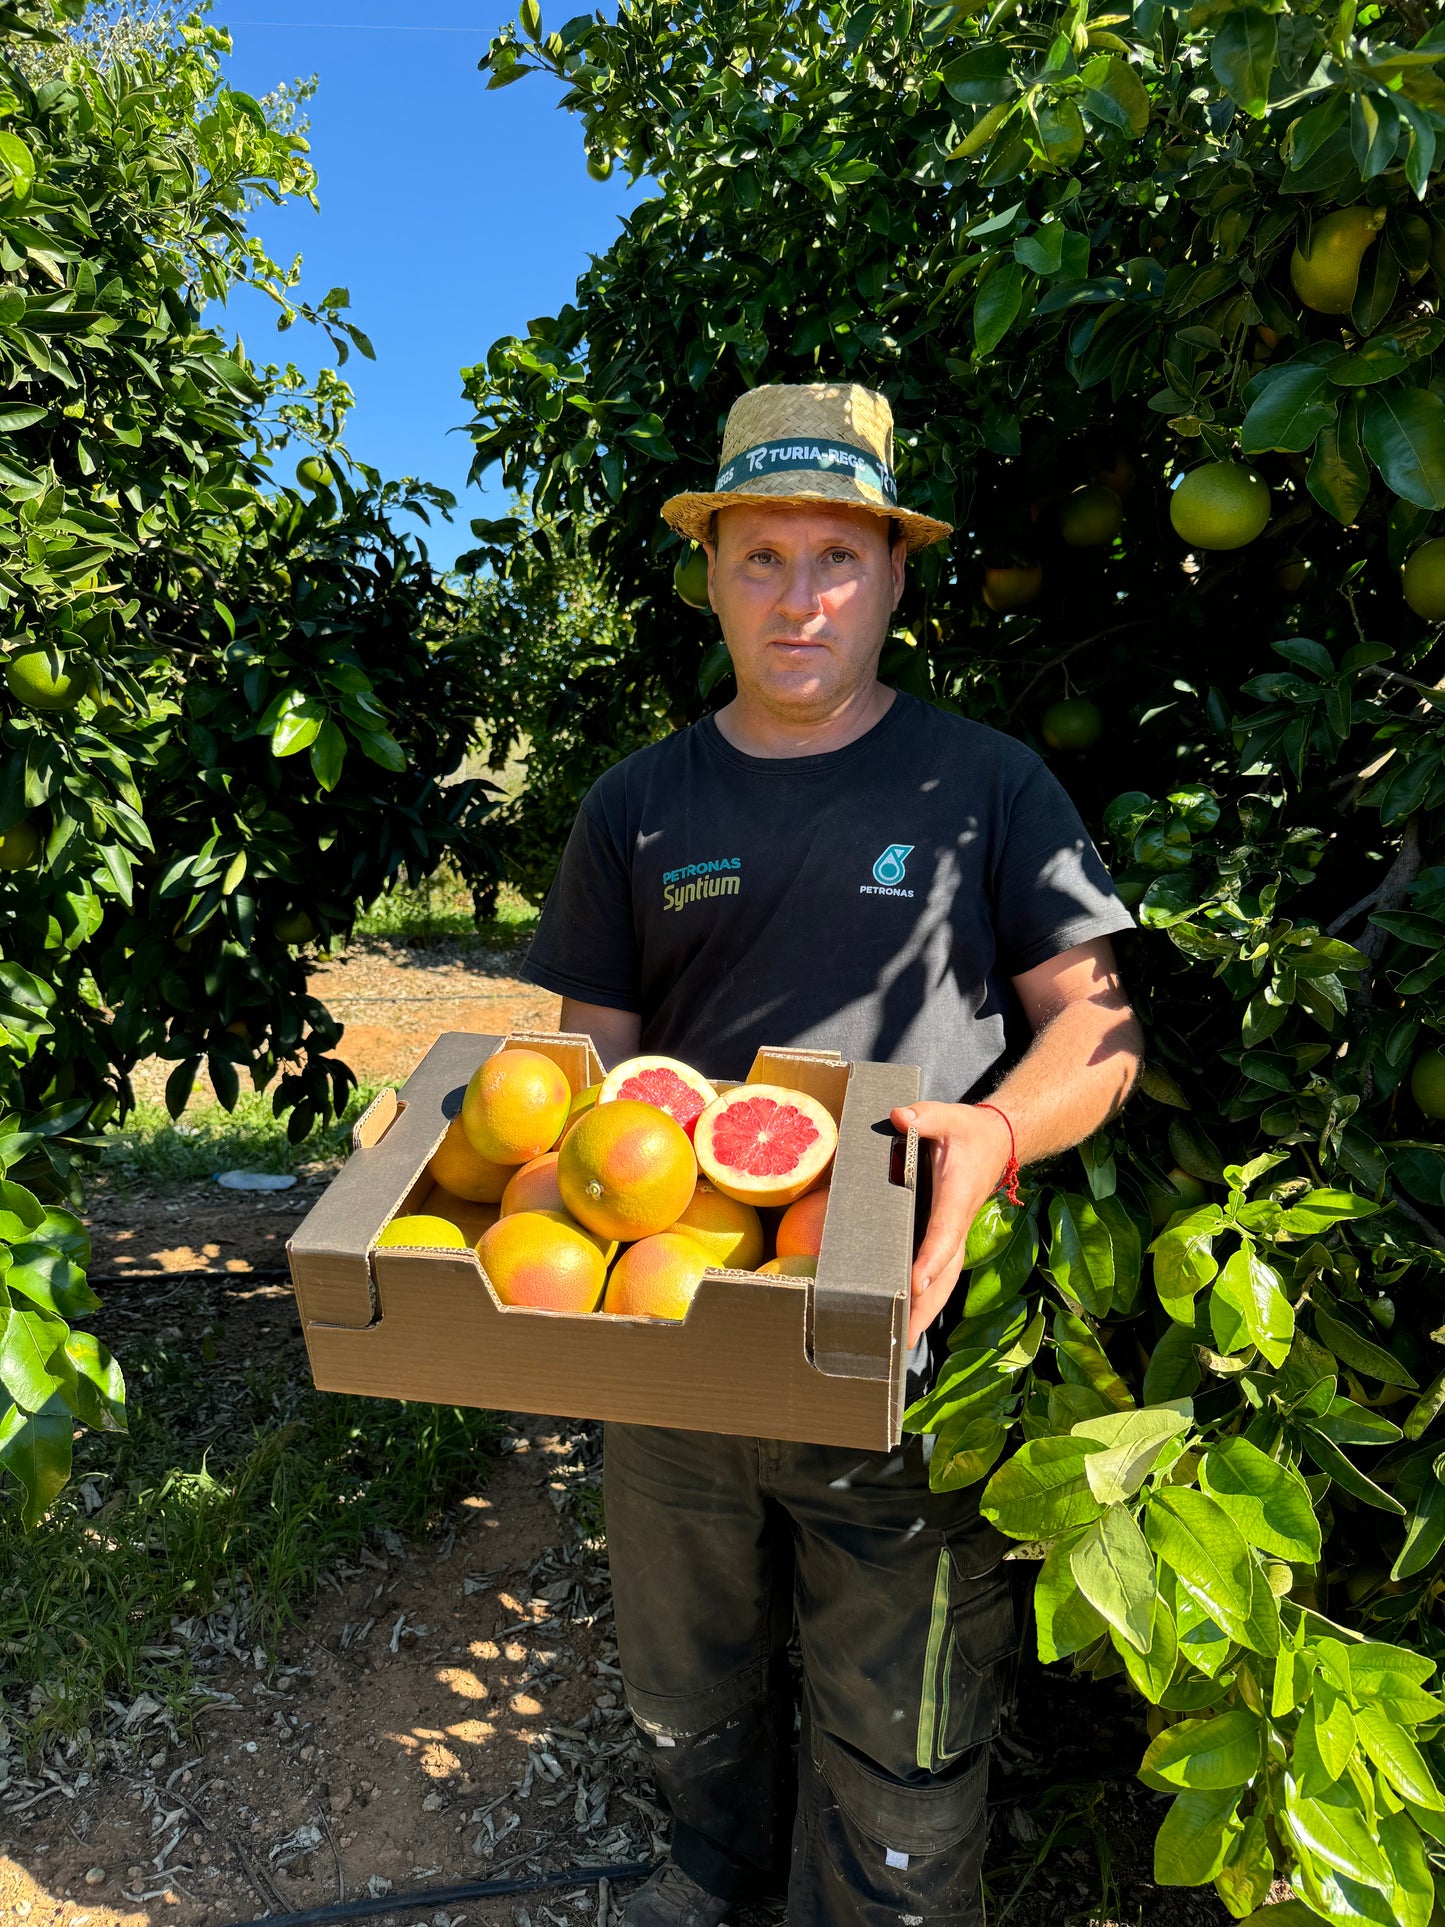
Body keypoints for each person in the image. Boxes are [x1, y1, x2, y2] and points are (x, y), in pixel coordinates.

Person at [521, 382, 1144, 1927]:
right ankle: (712, 1874)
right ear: (711, 573)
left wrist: (1001, 1126)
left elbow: (1098, 1021)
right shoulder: (638, 803)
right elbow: (585, 1065)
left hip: (899, 1332)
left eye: (835, 558)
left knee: (906, 1720)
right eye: (760, 559)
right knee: (685, 1679)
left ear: (893, 575)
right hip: (668, 1339)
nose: (798, 599)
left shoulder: (986, 783)